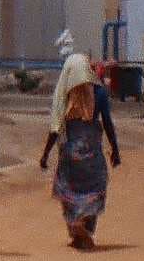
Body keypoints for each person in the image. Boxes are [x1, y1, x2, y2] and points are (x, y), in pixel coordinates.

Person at [39, 51, 122, 249]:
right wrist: (115, 150)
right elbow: (107, 123)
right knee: (95, 187)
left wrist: (45, 154)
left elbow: (56, 126)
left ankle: (75, 226)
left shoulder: (64, 95)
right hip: (92, 152)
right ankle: (85, 227)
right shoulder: (99, 92)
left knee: (68, 188)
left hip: (69, 151)